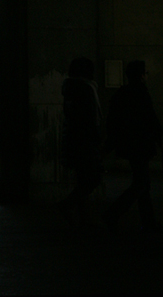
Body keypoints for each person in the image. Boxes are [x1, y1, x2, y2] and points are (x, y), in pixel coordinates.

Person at [103, 60, 162, 232]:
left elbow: (114, 121)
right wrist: (159, 139)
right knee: (142, 184)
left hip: (130, 144)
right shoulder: (141, 93)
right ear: (141, 75)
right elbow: (151, 120)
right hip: (141, 144)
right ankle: (113, 214)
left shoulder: (123, 93)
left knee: (142, 183)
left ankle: (148, 221)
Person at [58, 57, 102, 226]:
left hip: (75, 139)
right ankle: (69, 206)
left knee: (83, 178)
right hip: (85, 140)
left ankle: (83, 216)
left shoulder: (71, 89)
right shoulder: (86, 89)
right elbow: (91, 117)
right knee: (91, 178)